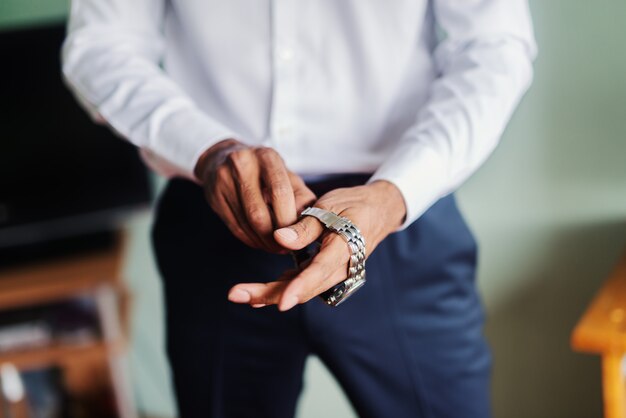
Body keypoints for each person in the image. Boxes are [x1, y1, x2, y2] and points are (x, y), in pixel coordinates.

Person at [62, 1, 536, 417]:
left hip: (399, 219)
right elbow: (101, 45)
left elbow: (494, 45)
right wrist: (206, 150)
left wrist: (396, 193)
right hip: (218, 216)